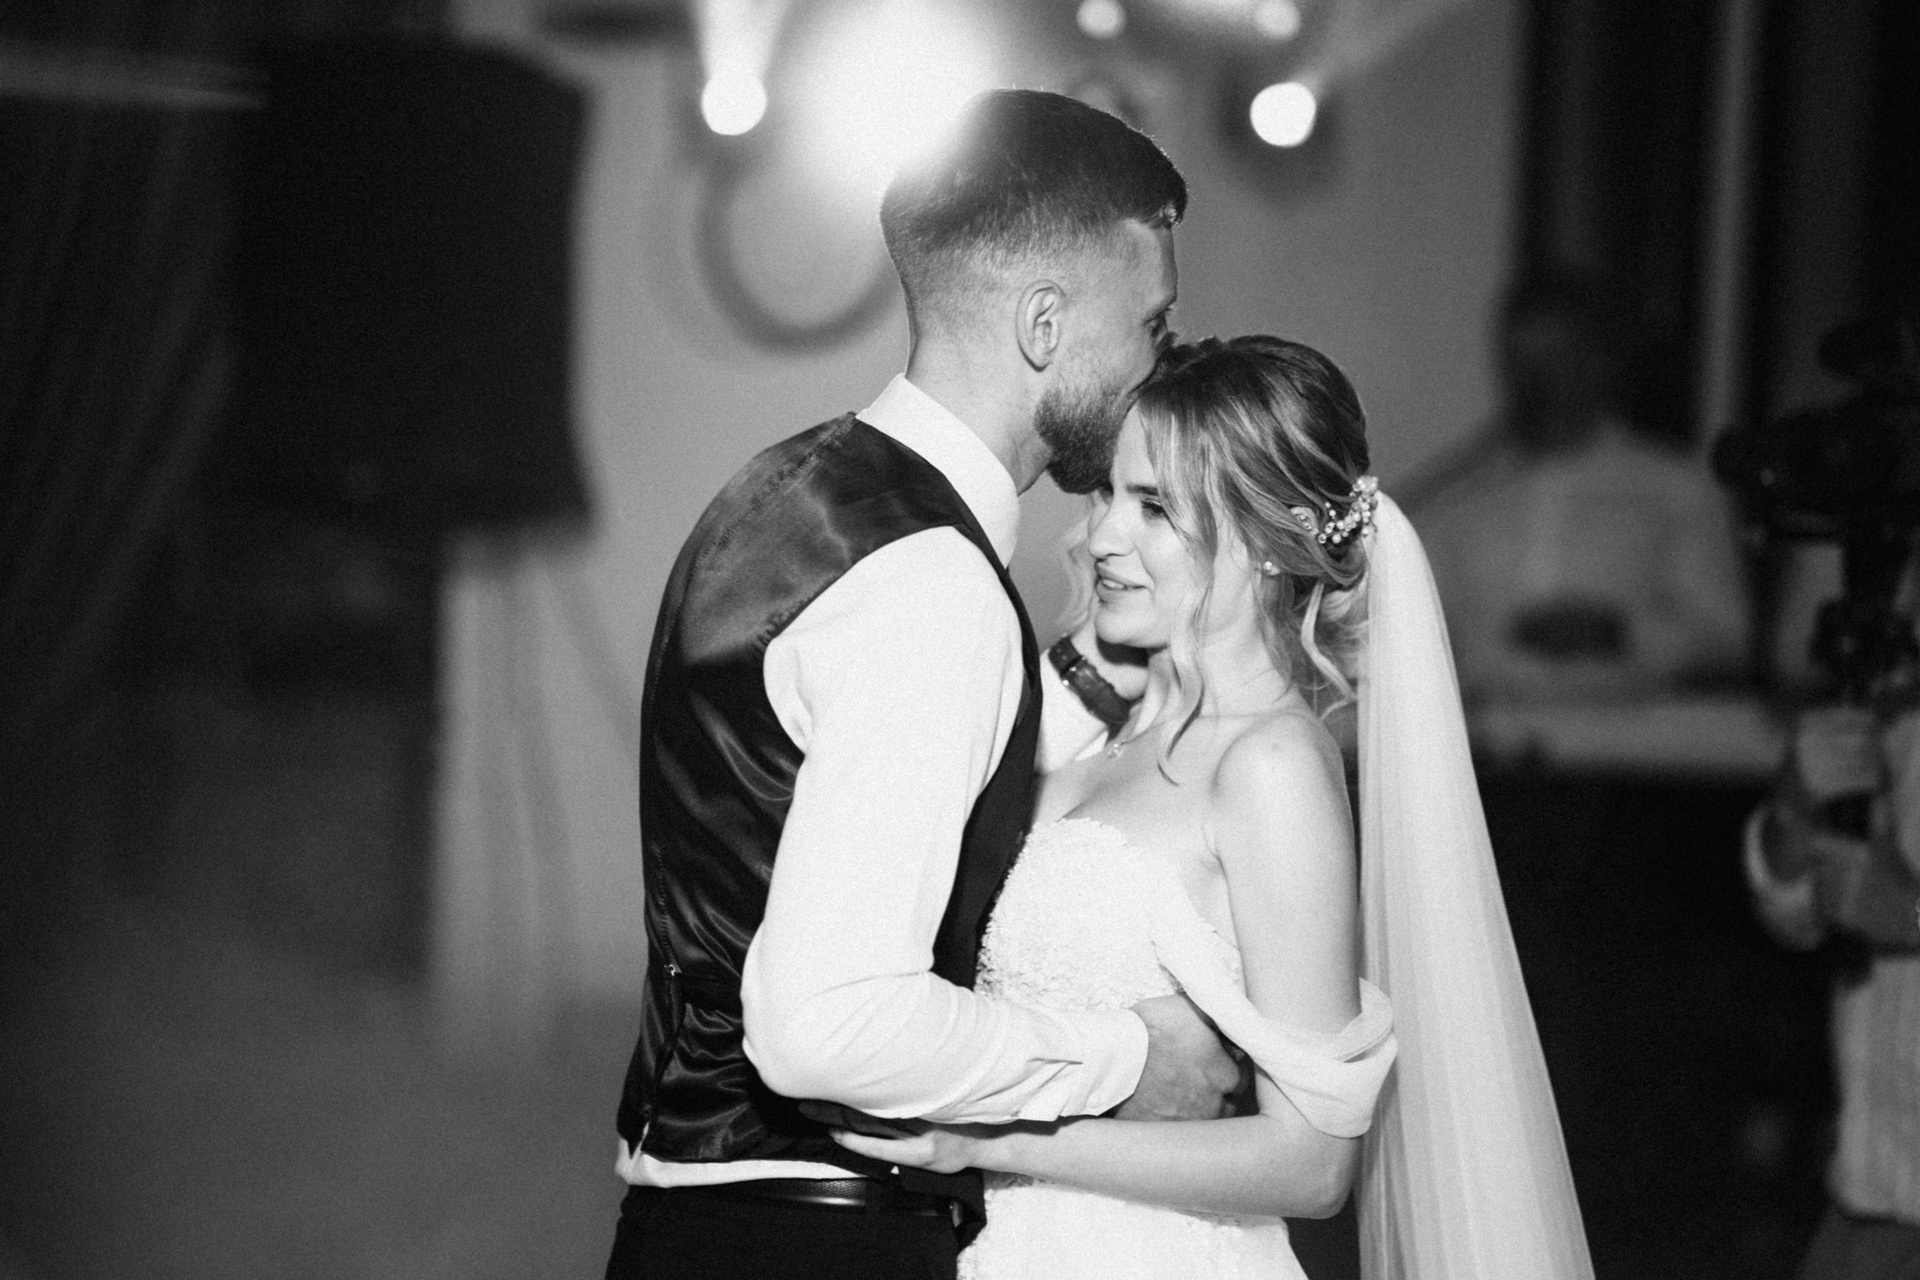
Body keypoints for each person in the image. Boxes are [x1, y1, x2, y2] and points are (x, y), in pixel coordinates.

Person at [602, 90, 1246, 1280]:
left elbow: (800, 794)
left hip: (696, 1223)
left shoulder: (781, 493)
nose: (1158, 360)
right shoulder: (933, 585)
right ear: (1046, 324)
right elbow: (827, 1023)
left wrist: (1087, 676)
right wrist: (1123, 1058)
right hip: (817, 1241)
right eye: (1150, 323)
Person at [833, 336, 1596, 1279]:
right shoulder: (1112, 736)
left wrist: (993, 1140)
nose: (1103, 536)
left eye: (1155, 508)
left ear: (1269, 544)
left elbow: (1312, 1163)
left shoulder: (1270, 767)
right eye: (1108, 494)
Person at [1407, 271, 1748, 704]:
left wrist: (1618, 631)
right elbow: (1408, 637)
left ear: (1603, 363)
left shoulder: (1675, 488)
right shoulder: (1457, 497)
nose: (1540, 385)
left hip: (1631, 738)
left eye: (1559, 360)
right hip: (1486, 737)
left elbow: (1727, 639)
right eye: (1524, 364)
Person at [1749, 692, 1920, 1279]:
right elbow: (1794, 910)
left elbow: (1891, 904)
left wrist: (1911, 913)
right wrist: (1795, 808)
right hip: (1861, 1194)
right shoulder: (1891, 700)